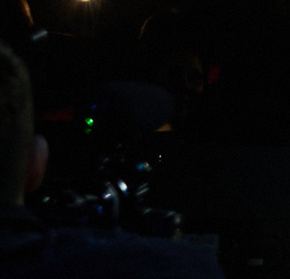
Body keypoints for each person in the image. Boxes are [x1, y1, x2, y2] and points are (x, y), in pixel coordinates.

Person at [0, 42, 220, 277]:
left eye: (194, 78)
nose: (185, 86)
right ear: (36, 162)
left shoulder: (211, 146)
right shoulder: (183, 267)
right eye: (174, 75)